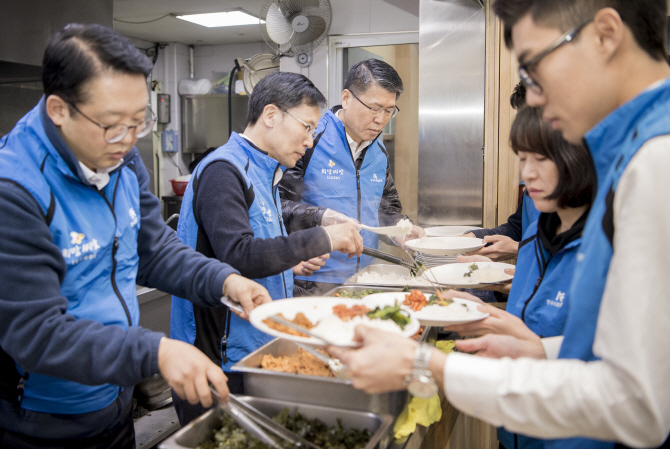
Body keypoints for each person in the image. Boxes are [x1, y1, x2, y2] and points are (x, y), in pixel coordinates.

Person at [330, 0, 670, 447]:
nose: (534, 98)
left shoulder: (655, 161)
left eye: (534, 69)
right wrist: (541, 349)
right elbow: (636, 358)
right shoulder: (634, 150)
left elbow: (637, 405)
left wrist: (430, 366)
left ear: (606, 35)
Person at [0, 24, 272, 449]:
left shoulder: (121, 162)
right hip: (44, 422)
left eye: (138, 122)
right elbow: (36, 332)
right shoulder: (14, 191)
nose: (128, 141)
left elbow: (154, 250)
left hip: (116, 402)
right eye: (112, 125)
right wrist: (157, 352)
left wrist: (223, 280)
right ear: (58, 109)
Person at [170, 71, 363, 424]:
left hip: (255, 347)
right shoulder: (224, 170)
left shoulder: (266, 172)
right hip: (218, 359)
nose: (309, 141)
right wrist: (324, 237)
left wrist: (291, 265)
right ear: (271, 115)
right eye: (306, 127)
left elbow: (250, 250)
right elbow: (238, 254)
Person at [446, 104, 598, 449]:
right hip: (515, 431)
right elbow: (523, 330)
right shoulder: (531, 237)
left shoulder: (609, 246)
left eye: (541, 159)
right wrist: (484, 317)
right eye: (522, 159)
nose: (527, 174)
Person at [279, 58, 425, 295]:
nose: (381, 119)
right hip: (309, 281)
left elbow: (385, 210)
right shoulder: (309, 141)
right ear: (346, 99)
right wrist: (321, 216)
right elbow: (277, 206)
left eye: (389, 111)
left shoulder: (378, 151)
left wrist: (400, 229)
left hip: (363, 280)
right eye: (375, 108)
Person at [464, 82, 541, 262]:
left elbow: (575, 251)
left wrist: (517, 248)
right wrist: (474, 238)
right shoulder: (533, 177)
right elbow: (517, 229)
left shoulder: (585, 181)